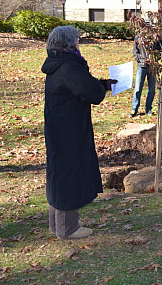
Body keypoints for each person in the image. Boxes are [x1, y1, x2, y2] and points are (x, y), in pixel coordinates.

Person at [41, 26, 117, 239]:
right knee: (68, 173)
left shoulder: (59, 63)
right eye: (76, 41)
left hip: (60, 126)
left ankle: (57, 224)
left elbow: (82, 87)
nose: (78, 44)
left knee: (59, 171)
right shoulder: (68, 66)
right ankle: (68, 228)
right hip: (69, 129)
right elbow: (92, 93)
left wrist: (103, 84)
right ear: (67, 44)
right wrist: (100, 88)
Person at [131, 33, 161, 117]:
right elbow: (135, 52)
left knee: (152, 89)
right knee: (138, 88)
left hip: (152, 67)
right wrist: (141, 61)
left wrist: (155, 58)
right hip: (142, 67)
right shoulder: (138, 38)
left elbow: (160, 50)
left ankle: (148, 109)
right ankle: (134, 109)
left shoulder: (155, 38)